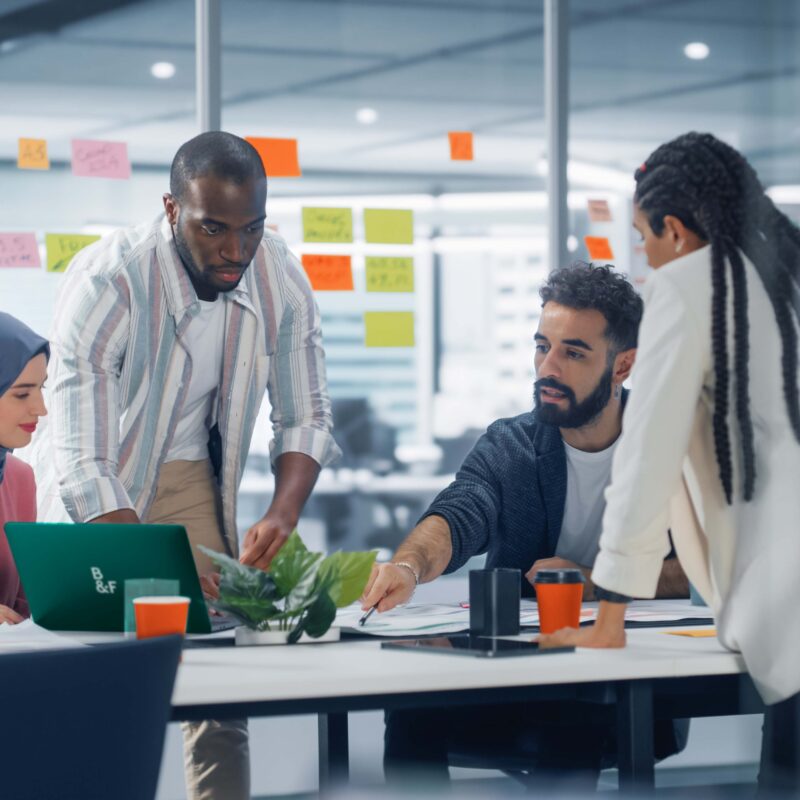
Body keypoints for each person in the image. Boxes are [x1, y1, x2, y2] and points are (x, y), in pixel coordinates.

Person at [32, 132, 340, 800]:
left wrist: (282, 515)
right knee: (99, 672)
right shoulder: (107, 279)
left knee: (217, 684)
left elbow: (306, 410)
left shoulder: (277, 271)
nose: (235, 251)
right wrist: (158, 569)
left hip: (192, 475)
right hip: (99, 487)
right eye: (214, 229)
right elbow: (84, 460)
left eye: (251, 228)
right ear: (172, 210)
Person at [540, 132, 800, 796]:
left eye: (644, 237)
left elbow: (645, 457)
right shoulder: (786, 277)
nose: (644, 256)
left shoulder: (689, 283)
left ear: (676, 231)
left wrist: (609, 615)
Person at [361, 263, 688, 787]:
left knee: (575, 709)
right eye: (543, 346)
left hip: (628, 675)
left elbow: (699, 568)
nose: (547, 368)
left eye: (573, 352)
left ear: (622, 365)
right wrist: (409, 564)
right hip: (516, 675)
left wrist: (591, 579)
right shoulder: (511, 445)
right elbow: (459, 512)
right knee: (411, 705)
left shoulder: (671, 445)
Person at [0, 312, 49, 625]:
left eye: (42, 388)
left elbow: (24, 609)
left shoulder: (18, 478)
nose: (41, 409)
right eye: (22, 394)